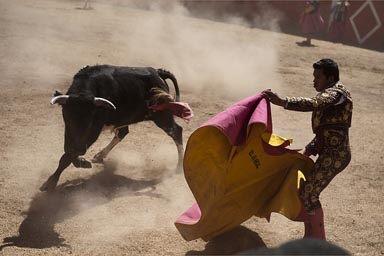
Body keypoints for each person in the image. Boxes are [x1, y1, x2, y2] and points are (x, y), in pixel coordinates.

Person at [262, 58, 353, 240]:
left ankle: (317, 241)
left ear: (330, 78)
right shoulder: (333, 94)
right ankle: (312, 238)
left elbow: (314, 103)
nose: (314, 81)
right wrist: (309, 148)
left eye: (318, 77)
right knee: (307, 192)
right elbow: (329, 128)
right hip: (331, 152)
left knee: (309, 193)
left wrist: (284, 102)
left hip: (336, 155)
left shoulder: (336, 93)